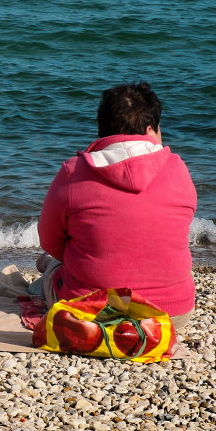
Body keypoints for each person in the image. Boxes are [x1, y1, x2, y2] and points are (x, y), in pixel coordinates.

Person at [34, 82, 197, 329]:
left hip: (91, 311)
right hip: (171, 315)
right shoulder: (178, 168)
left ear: (102, 129)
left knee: (51, 267)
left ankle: (49, 268)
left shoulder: (74, 171)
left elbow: (49, 240)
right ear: (151, 130)